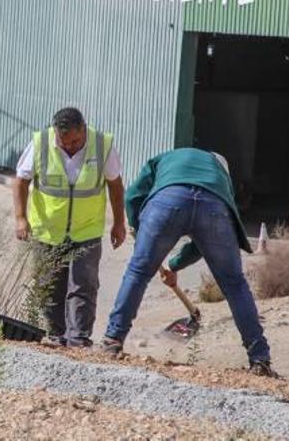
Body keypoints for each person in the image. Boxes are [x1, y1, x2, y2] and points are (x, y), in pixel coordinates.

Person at [102, 148, 276, 377]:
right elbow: (204, 243)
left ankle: (113, 340)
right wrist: (174, 264)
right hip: (213, 211)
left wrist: (141, 232)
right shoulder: (220, 180)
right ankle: (259, 357)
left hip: (166, 203)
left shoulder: (165, 158)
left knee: (138, 272)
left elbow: (133, 195)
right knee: (235, 285)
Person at [13, 107, 126, 347]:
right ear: (55, 134)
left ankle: (79, 339)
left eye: (75, 141)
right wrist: (21, 218)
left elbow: (115, 186)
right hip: (48, 231)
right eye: (64, 142)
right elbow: (21, 182)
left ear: (83, 129)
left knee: (83, 285)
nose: (70, 147)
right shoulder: (41, 143)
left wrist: (119, 223)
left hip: (87, 230)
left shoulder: (101, 145)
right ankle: (56, 335)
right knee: (48, 285)